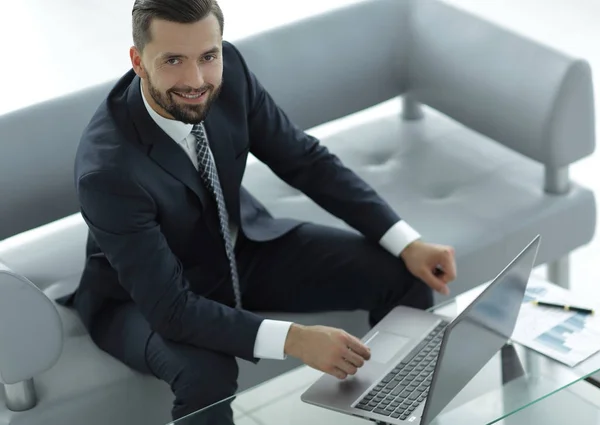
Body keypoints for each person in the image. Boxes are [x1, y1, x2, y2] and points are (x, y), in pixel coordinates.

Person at [59, 0, 457, 423]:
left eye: (207, 56)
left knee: (402, 275)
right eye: (173, 60)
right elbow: (171, 309)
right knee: (206, 375)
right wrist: (294, 339)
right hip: (140, 300)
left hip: (241, 249)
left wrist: (406, 241)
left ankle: (397, 414)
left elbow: (305, 161)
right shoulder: (109, 170)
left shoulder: (229, 71)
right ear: (138, 61)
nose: (195, 80)